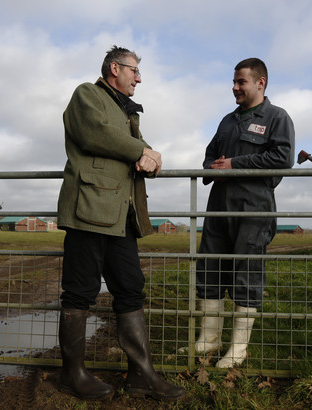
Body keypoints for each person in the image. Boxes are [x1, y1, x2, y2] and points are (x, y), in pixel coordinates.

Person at [56, 45, 185, 401]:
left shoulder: (127, 112)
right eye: (134, 71)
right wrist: (141, 152)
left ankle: (141, 375)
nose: (139, 78)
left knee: (130, 289)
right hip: (90, 209)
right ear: (115, 68)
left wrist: (152, 157)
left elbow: (142, 151)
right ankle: (72, 374)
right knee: (80, 291)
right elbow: (94, 134)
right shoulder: (88, 95)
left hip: (121, 216)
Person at [195, 58, 295, 368]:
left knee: (246, 273)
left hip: (253, 208)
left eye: (241, 82)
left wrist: (235, 165)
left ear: (260, 83)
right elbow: (210, 158)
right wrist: (213, 167)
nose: (235, 87)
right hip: (219, 207)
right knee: (210, 268)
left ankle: (238, 348)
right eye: (234, 82)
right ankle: (209, 337)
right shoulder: (227, 121)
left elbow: (282, 157)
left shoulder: (277, 117)